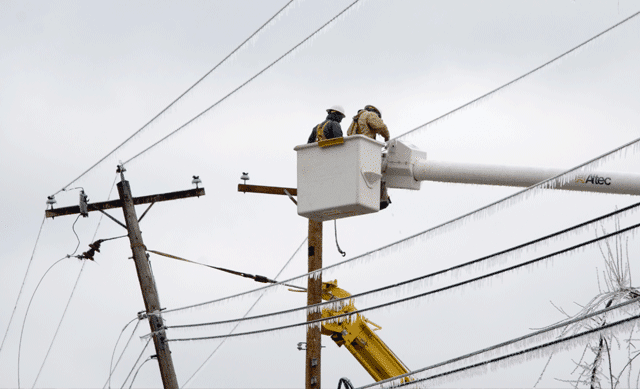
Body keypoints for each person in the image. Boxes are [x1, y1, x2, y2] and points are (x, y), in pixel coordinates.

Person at [347, 105, 392, 209]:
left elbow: (349, 133)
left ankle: (368, 197)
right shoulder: (370, 115)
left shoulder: (355, 119)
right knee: (379, 173)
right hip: (367, 150)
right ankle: (382, 199)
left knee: (364, 177)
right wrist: (387, 137)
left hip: (356, 152)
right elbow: (381, 127)